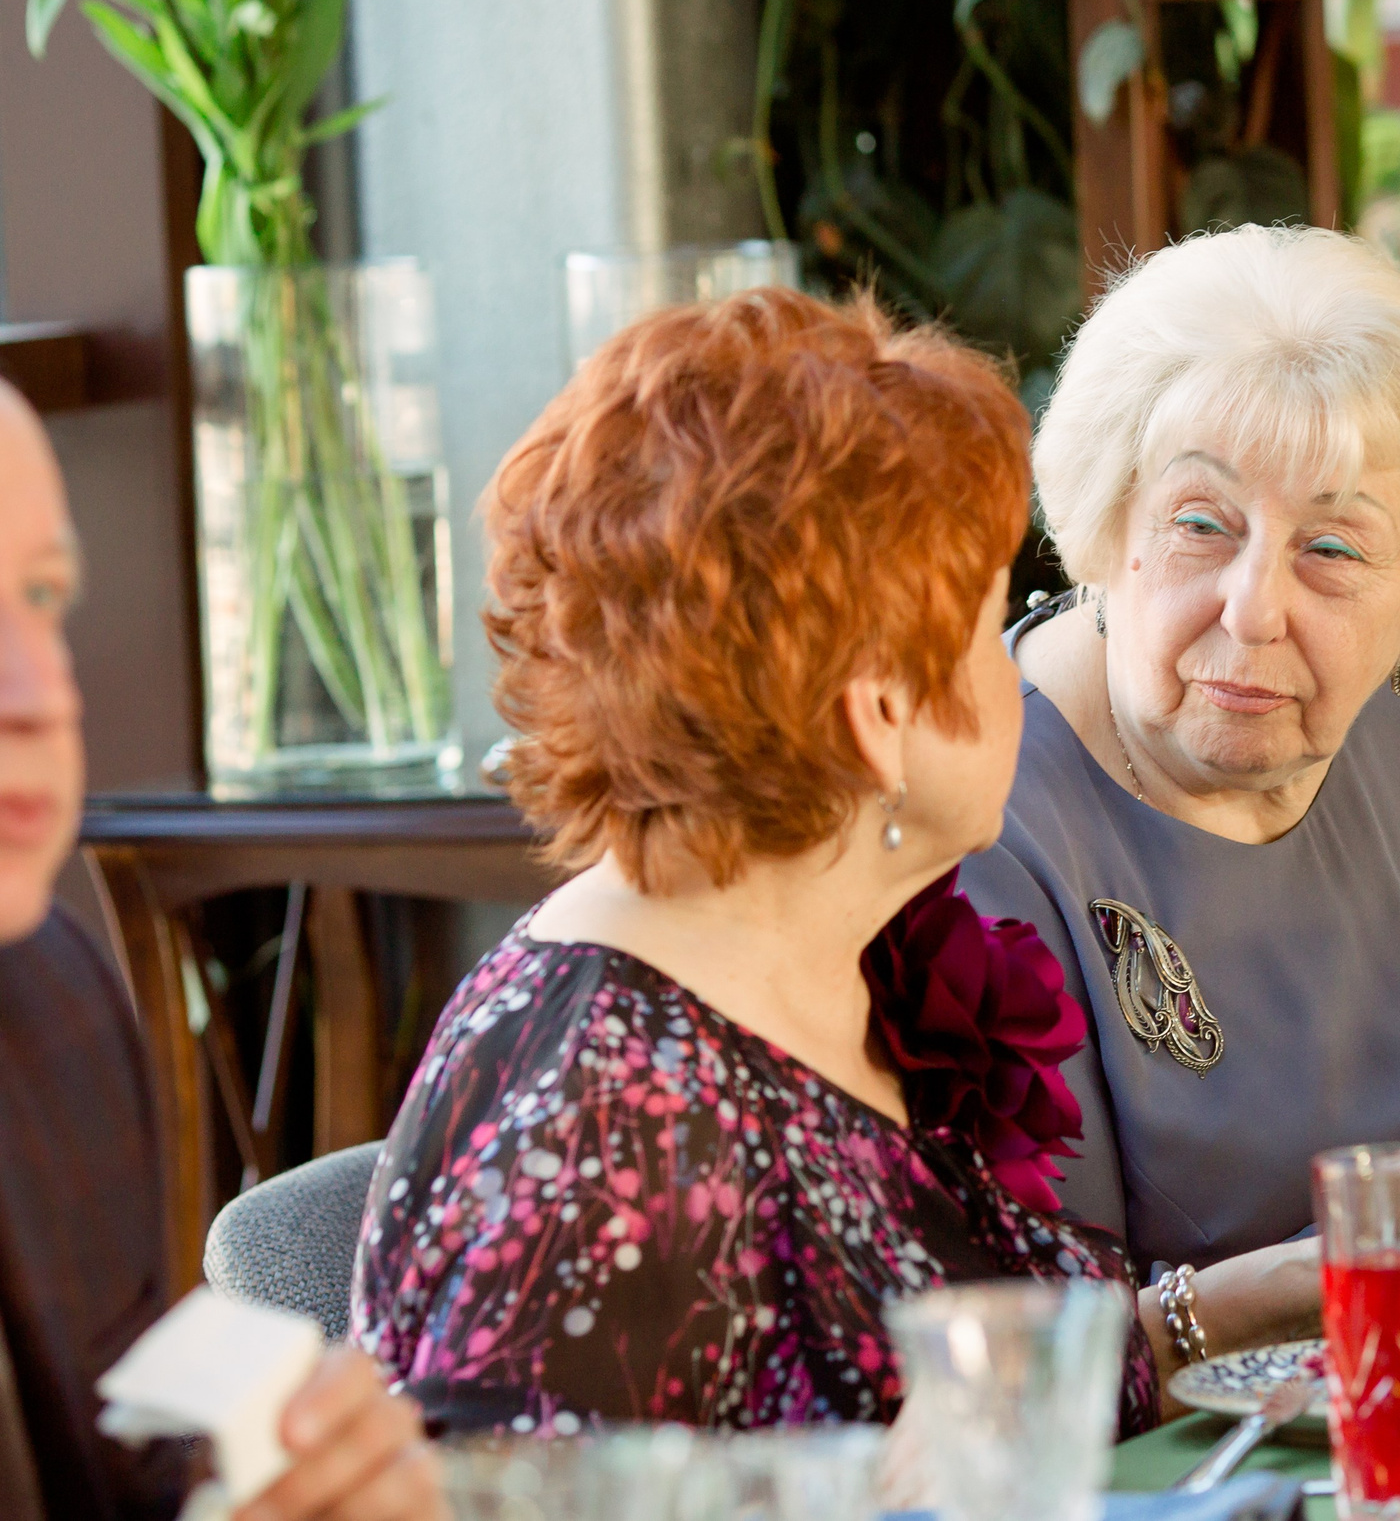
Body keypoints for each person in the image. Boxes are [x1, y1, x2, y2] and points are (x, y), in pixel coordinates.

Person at [350, 289, 1311, 1438]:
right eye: (987, 629)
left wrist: (1283, 1292)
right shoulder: (613, 1121)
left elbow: (955, 1387)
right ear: (878, 718)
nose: (1019, 672)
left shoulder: (799, 963)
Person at [959, 224, 1400, 1289]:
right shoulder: (980, 815)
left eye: (1331, 548)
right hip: (1184, 1461)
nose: (1254, 607)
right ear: (1105, 523)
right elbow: (1033, 1359)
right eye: (1200, 524)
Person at [0, 384, 441, 1521]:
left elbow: (136, 1487)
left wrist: (286, 1488)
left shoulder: (50, 1006)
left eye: (42, 598)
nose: (42, 693)